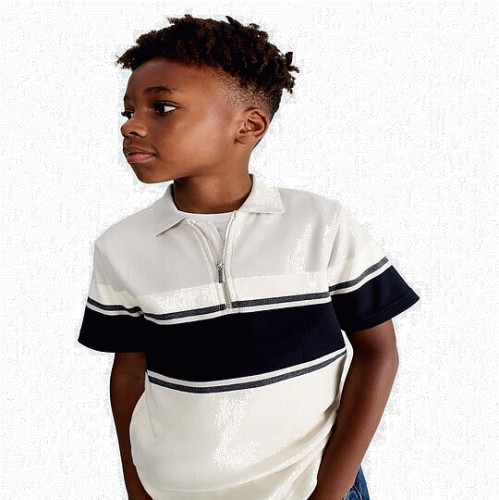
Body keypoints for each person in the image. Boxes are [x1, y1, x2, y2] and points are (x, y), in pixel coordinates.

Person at [77, 13, 420, 500]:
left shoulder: (320, 224)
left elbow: (378, 352)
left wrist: (331, 489)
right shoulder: (121, 247)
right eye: (128, 111)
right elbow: (129, 372)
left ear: (249, 125)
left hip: (311, 489)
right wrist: (137, 488)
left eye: (163, 108)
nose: (131, 126)